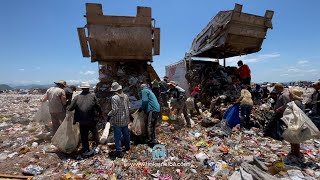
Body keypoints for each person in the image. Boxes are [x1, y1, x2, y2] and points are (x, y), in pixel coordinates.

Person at [68, 82, 102, 156]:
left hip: (81, 120)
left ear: (82, 89)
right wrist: (100, 114)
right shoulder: (93, 96)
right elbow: (98, 107)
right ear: (88, 88)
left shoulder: (77, 97)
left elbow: (70, 108)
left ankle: (86, 149)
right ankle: (98, 144)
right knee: (94, 132)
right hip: (92, 119)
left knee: (84, 135)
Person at [106, 82, 130, 158]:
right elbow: (128, 106)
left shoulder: (114, 98)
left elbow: (115, 109)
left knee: (117, 136)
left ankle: (119, 151)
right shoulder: (125, 96)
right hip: (126, 119)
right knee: (126, 134)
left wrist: (109, 115)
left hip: (118, 120)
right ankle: (127, 147)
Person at [287, 88, 304, 160]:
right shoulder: (298, 102)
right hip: (296, 123)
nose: (289, 95)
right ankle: (294, 153)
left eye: (290, 94)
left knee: (295, 140)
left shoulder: (296, 103)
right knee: (293, 140)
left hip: (295, 124)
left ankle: (296, 155)